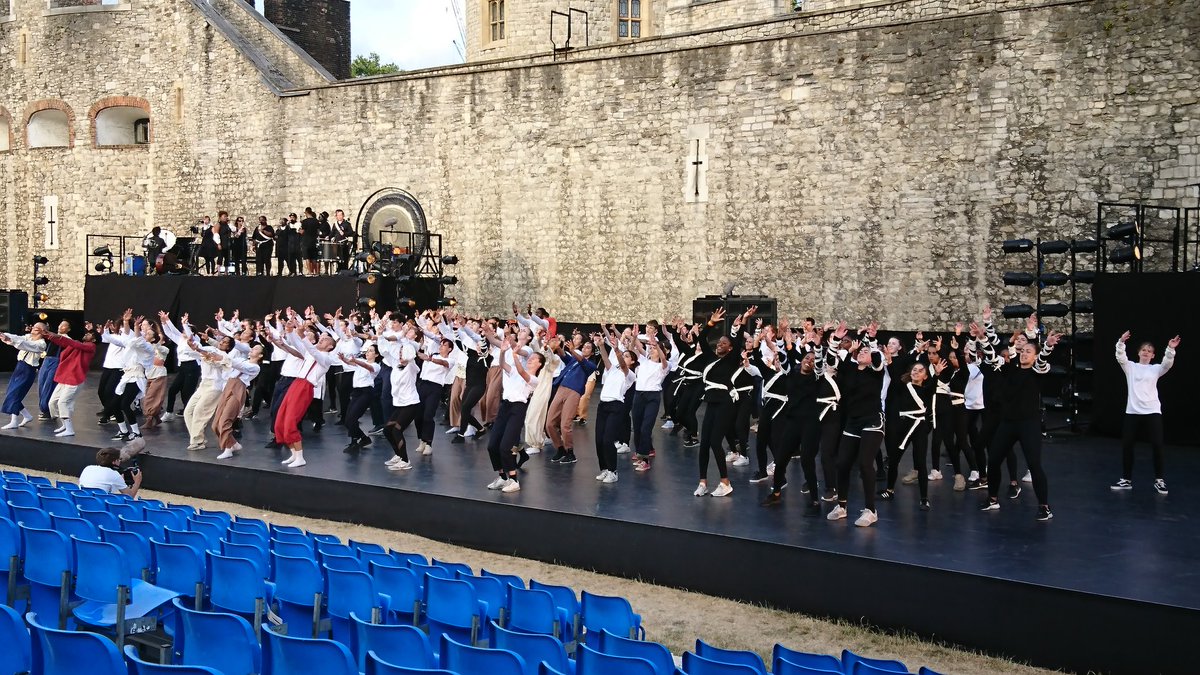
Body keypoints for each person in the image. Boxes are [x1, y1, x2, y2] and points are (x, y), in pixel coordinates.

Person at [979, 327, 1060, 521]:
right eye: (1022, 351)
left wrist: (1047, 345)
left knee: (1034, 464)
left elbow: (1042, 360)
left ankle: (1044, 507)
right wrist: (982, 339)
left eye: (1028, 352)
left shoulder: (1037, 371)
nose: (1024, 354)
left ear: (1035, 356)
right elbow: (992, 357)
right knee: (994, 460)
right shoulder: (1011, 369)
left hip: (1028, 424)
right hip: (1008, 423)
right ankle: (992, 499)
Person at [1112, 330, 1180, 494]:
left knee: (1157, 445)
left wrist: (1170, 349)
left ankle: (1159, 480)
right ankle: (1126, 480)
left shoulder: (1156, 369)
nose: (1146, 352)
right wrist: (1121, 342)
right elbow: (1120, 356)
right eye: (1144, 350)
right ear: (1139, 352)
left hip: (1152, 411)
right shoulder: (1130, 367)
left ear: (1153, 355)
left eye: (1149, 351)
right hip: (1133, 412)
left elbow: (1167, 364)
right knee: (1127, 445)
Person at [486, 336, 545, 493]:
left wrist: (514, 354)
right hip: (505, 407)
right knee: (492, 446)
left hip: (517, 410)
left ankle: (513, 480)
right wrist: (503, 352)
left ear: (539, 364)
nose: (530, 360)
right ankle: (503, 477)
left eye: (533, 359)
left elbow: (521, 371)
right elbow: (502, 364)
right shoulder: (515, 371)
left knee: (505, 447)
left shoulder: (534, 379)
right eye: (530, 358)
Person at [593, 331, 636, 483]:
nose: (623, 358)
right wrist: (601, 345)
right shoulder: (612, 370)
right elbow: (605, 358)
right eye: (623, 355)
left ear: (632, 362)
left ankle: (613, 471)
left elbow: (623, 365)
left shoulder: (629, 375)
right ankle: (604, 469)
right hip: (603, 405)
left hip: (616, 406)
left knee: (607, 440)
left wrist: (617, 349)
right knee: (599, 440)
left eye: (627, 356)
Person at [546, 338, 597, 464]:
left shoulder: (590, 365)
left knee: (565, 424)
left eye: (588, 347)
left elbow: (582, 361)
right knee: (549, 423)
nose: (585, 348)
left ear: (592, 353)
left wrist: (573, 350)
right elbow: (564, 356)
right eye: (584, 346)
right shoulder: (574, 359)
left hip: (574, 392)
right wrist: (558, 347)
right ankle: (560, 448)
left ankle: (570, 452)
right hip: (561, 388)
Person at [45, 322, 98, 437]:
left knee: (62, 403)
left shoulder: (91, 347)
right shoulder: (79, 344)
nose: (86, 335)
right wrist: (48, 335)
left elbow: (71, 342)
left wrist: (57, 336)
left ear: (93, 340)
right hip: (65, 378)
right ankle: (64, 424)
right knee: (52, 403)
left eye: (89, 334)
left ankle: (69, 429)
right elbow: (63, 342)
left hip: (74, 379)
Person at [0, 323, 47, 429]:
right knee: (10, 393)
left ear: (42, 331)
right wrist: (5, 336)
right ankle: (27, 415)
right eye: (34, 327)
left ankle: (14, 421)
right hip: (19, 367)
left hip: (28, 370)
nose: (34, 328)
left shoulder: (41, 344)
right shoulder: (28, 337)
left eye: (37, 328)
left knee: (15, 394)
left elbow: (26, 345)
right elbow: (17, 338)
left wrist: (10, 340)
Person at [36, 320, 70, 420]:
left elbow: (59, 339)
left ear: (69, 329)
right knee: (41, 384)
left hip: (56, 362)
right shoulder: (52, 337)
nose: (61, 327)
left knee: (49, 385)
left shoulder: (66, 339)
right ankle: (43, 408)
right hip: (46, 361)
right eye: (60, 324)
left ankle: (48, 410)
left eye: (64, 326)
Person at [300, 207, 321, 276]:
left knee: (307, 257)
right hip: (313, 241)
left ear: (306, 213)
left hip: (306, 241)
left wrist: (299, 231)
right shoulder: (316, 221)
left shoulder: (305, 222)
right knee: (314, 257)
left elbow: (302, 231)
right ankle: (315, 272)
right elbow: (318, 231)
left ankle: (310, 272)